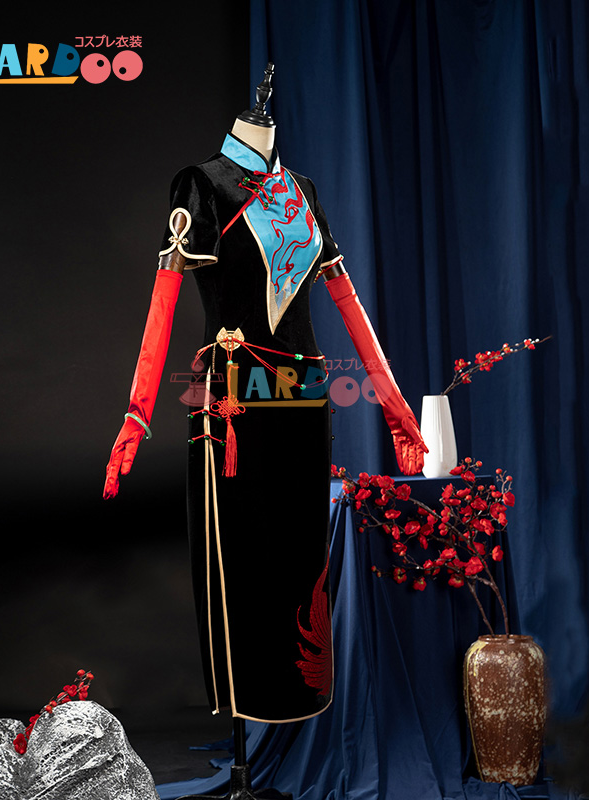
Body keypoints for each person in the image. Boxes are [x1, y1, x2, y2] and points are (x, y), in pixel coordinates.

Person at [103, 64, 426, 726]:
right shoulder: (201, 184)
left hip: (305, 397)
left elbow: (348, 304)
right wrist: (137, 413)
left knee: (301, 555)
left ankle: (299, 694)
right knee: (245, 558)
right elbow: (164, 299)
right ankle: (247, 705)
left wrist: (396, 410)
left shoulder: (302, 190)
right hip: (234, 401)